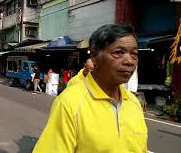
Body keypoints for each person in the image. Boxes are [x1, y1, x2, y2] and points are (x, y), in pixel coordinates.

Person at [33, 24, 147, 153]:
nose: (129, 61)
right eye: (118, 53)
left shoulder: (134, 103)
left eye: (134, 54)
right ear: (94, 56)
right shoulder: (70, 103)